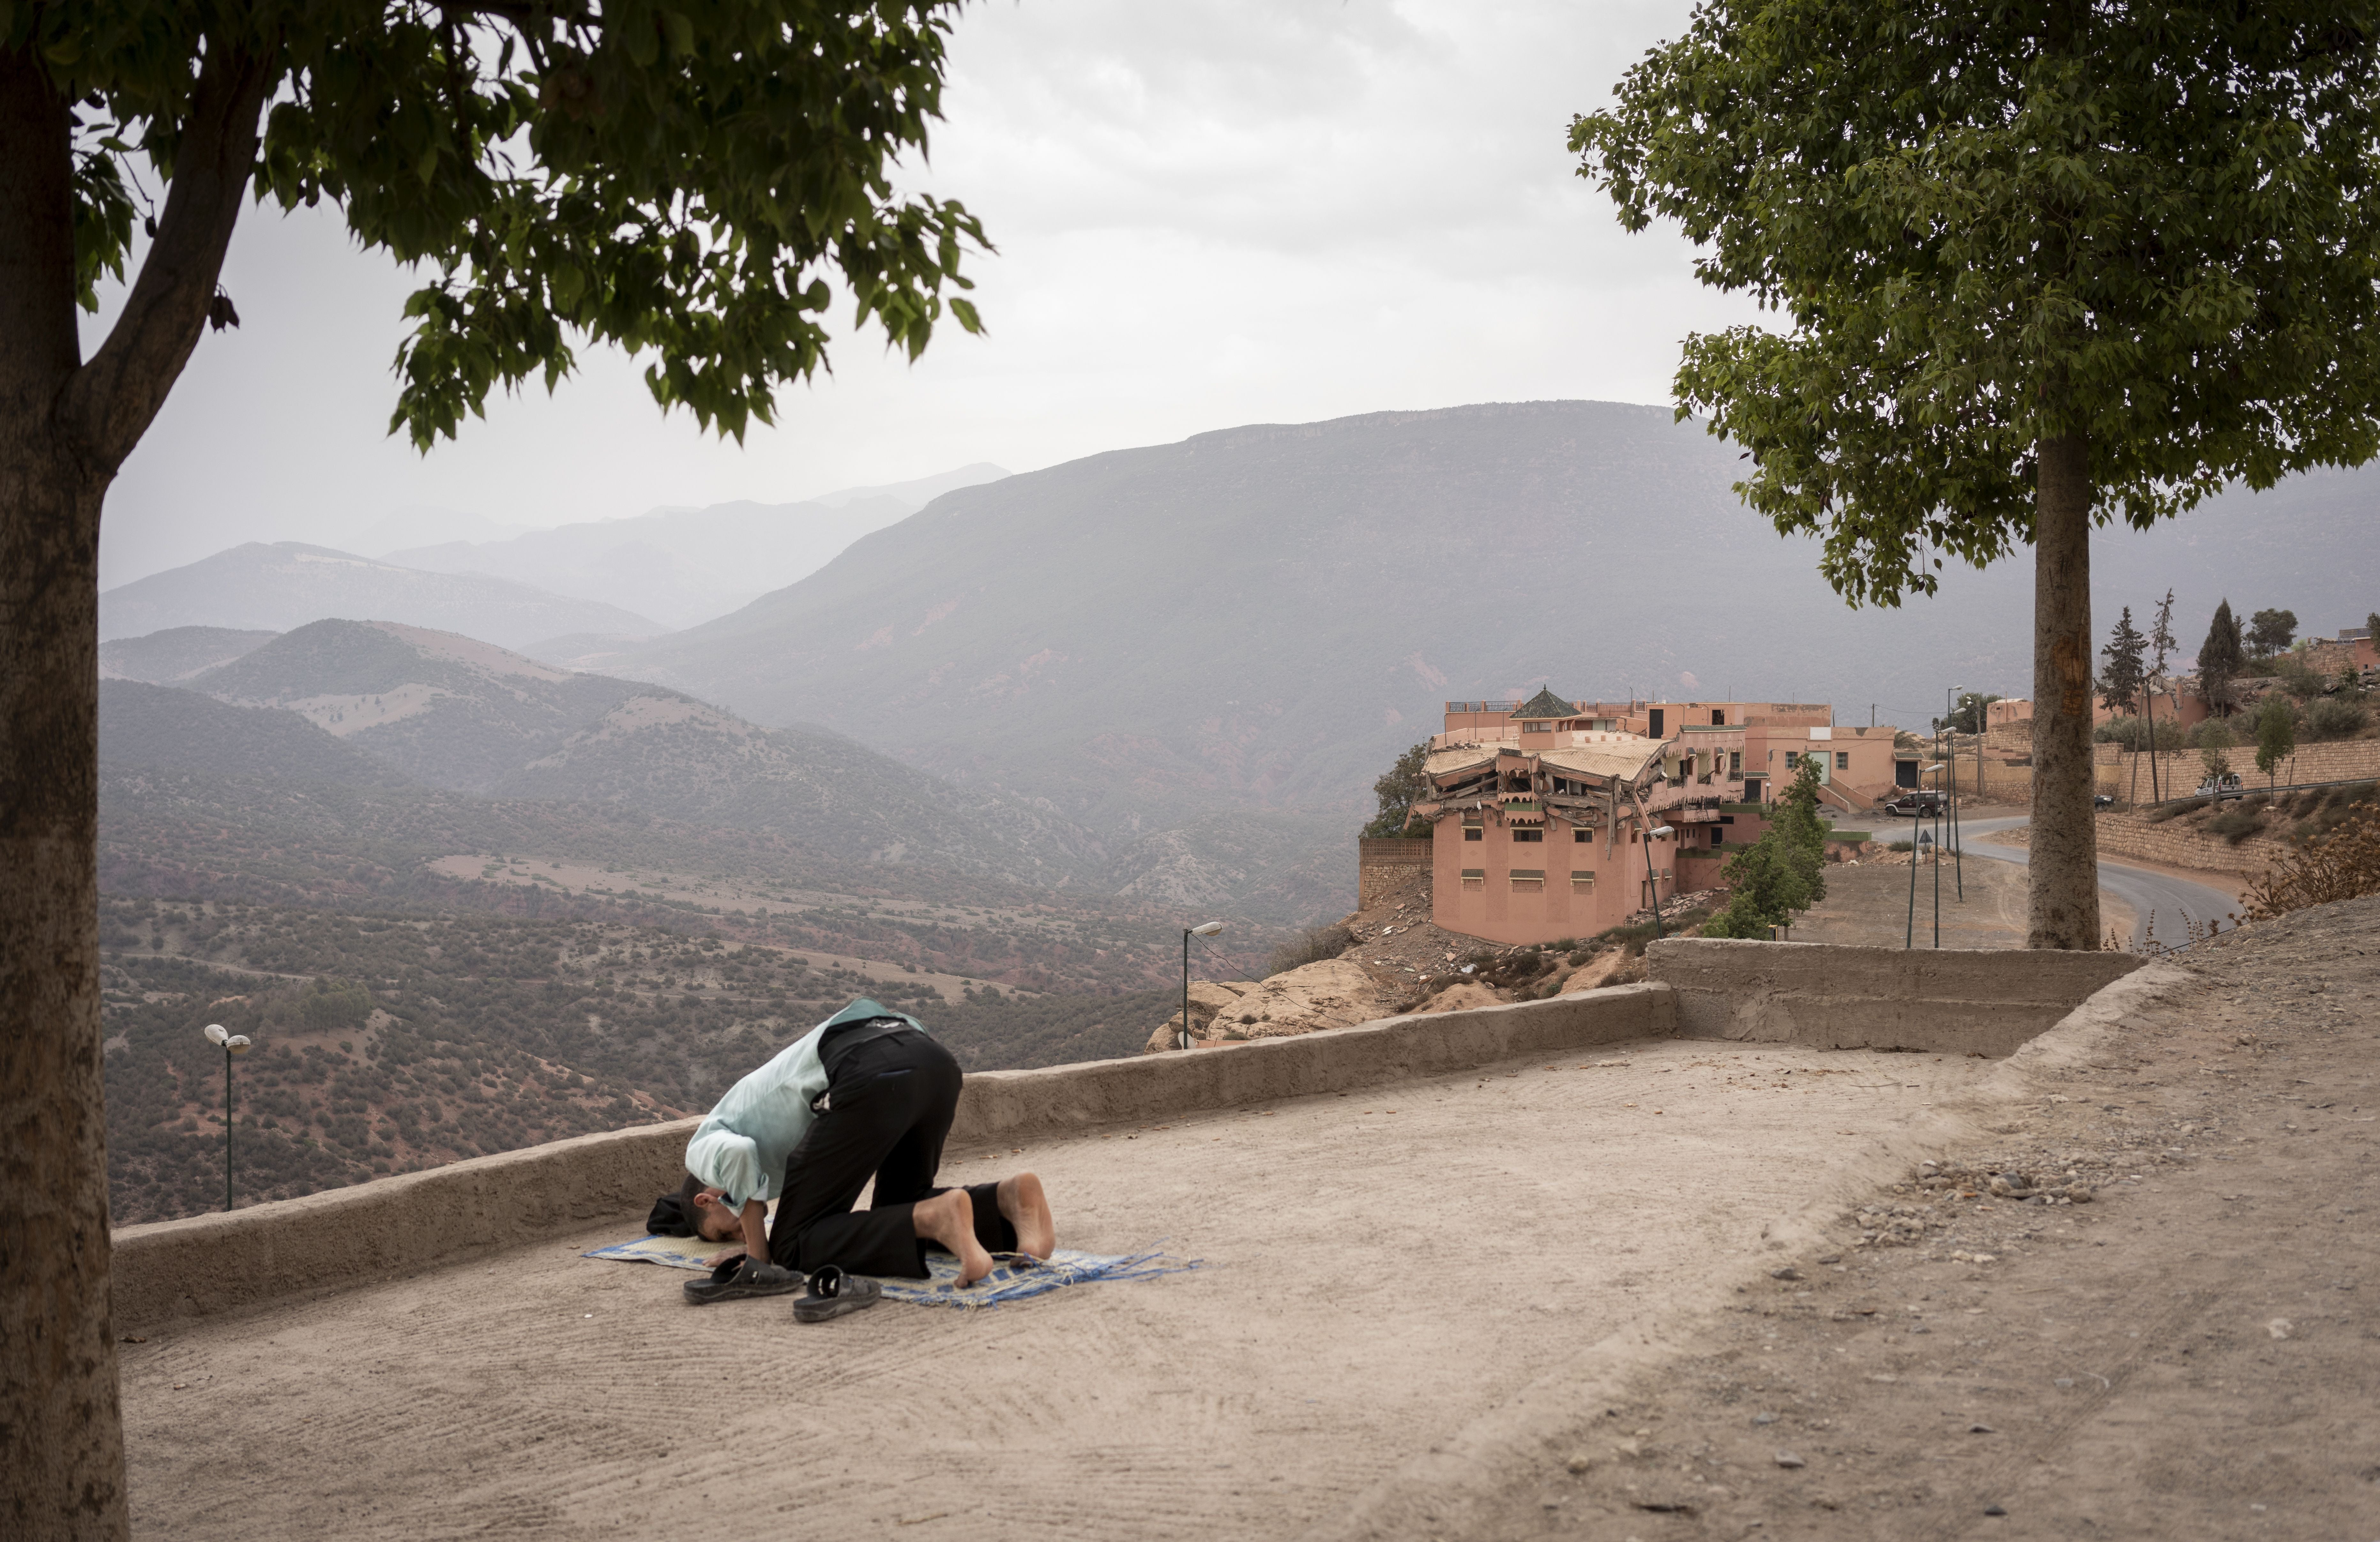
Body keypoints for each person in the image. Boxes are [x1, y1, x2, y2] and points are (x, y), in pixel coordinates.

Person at [652, 998, 1056, 1303]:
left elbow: (737, 1155)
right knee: (900, 1206)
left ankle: (938, 1216)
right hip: (930, 1060)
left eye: (727, 1228)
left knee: (792, 1247)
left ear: (707, 1198)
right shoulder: (761, 1148)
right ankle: (1007, 1199)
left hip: (865, 1069)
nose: (741, 1229)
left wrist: (761, 1257)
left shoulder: (702, 1150)